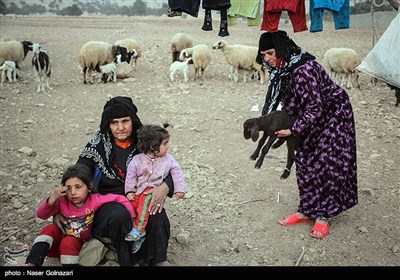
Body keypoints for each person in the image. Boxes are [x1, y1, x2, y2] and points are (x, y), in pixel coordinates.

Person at [257, 31, 358, 239]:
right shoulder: (281, 71)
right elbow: (287, 103)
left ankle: (324, 215)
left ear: (282, 50)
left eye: (270, 53)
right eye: (263, 54)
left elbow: (314, 107)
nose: (266, 58)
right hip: (308, 117)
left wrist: (293, 129)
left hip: (333, 115)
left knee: (327, 163)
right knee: (304, 159)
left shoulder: (303, 70)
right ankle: (306, 209)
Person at [53, 96, 174, 266]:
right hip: (107, 199)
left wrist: (165, 186)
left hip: (140, 195)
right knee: (119, 216)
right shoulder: (98, 144)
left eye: (125, 121)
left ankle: (159, 260)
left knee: (157, 213)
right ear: (108, 125)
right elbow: (77, 174)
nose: (121, 128)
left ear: (133, 120)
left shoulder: (146, 142)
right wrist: (60, 207)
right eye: (114, 123)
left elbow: (170, 166)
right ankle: (128, 262)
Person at [24, 163, 135, 266]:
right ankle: (32, 263)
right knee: (49, 228)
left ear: (89, 187)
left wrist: (133, 218)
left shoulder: (94, 200)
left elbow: (119, 198)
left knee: (69, 241)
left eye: (78, 187)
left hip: (74, 248)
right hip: (54, 247)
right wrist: (53, 197)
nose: (72, 193)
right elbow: (41, 214)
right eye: (68, 188)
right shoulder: (61, 201)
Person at [124, 124, 186, 253]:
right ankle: (142, 235)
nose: (167, 146)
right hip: (138, 191)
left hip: (152, 192)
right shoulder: (137, 160)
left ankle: (139, 230)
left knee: (145, 202)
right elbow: (131, 176)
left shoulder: (168, 160)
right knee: (131, 207)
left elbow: (177, 173)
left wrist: (179, 189)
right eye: (165, 144)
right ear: (153, 147)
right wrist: (129, 191)